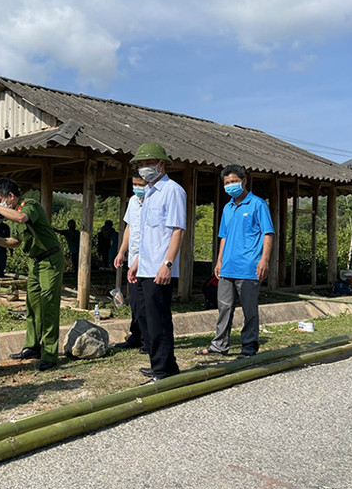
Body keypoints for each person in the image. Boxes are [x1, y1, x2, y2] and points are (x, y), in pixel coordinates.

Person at [0, 178, 64, 371]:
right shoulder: (13, 214)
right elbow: (16, 241)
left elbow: (22, 218)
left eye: (0, 200)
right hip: (35, 262)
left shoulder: (29, 205)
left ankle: (49, 354)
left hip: (50, 260)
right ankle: (32, 347)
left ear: (10, 196)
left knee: (48, 306)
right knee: (32, 306)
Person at [197, 164, 274, 359]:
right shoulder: (228, 207)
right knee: (224, 307)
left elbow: (268, 233)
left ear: (244, 181)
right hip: (227, 266)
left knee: (249, 310)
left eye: (234, 181)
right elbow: (224, 236)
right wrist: (219, 261)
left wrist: (264, 260)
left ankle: (249, 347)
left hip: (249, 267)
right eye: (227, 183)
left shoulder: (257, 204)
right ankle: (219, 345)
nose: (230, 185)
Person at [127, 142, 186, 383]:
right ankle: (160, 364)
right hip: (144, 266)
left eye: (148, 163)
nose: (144, 168)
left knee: (159, 319)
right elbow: (148, 235)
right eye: (140, 164)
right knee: (146, 319)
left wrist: (168, 264)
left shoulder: (172, 191)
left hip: (159, 268)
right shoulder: (149, 192)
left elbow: (177, 230)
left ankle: (163, 370)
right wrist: (136, 262)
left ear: (161, 164)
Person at [113, 170, 148, 352]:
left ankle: (147, 340)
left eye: (141, 185)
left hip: (148, 260)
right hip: (132, 258)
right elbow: (129, 227)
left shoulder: (153, 202)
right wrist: (121, 252)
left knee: (145, 303)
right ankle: (136, 335)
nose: (137, 188)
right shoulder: (133, 201)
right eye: (134, 184)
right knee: (134, 300)